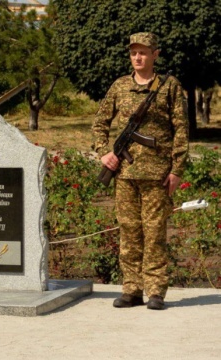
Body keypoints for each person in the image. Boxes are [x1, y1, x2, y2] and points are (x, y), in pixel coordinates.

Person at [92, 32, 188, 310]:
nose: (137, 57)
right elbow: (99, 123)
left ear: (155, 54)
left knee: (155, 233)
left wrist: (177, 169)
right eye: (134, 52)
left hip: (158, 174)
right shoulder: (119, 87)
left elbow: (181, 129)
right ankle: (132, 289)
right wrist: (104, 152)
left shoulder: (169, 86)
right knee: (129, 233)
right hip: (124, 175)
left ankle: (156, 291)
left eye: (143, 52)